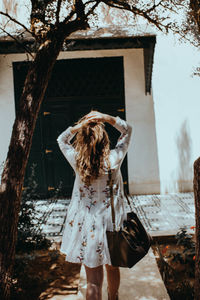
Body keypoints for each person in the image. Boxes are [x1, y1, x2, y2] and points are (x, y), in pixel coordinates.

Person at [57, 111, 132, 300]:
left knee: (92, 280)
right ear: (105, 140)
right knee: (112, 267)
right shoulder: (114, 159)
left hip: (87, 225)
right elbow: (127, 130)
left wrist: (79, 126)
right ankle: (113, 297)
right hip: (111, 224)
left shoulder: (77, 161)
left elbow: (62, 140)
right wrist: (106, 118)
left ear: (82, 140)